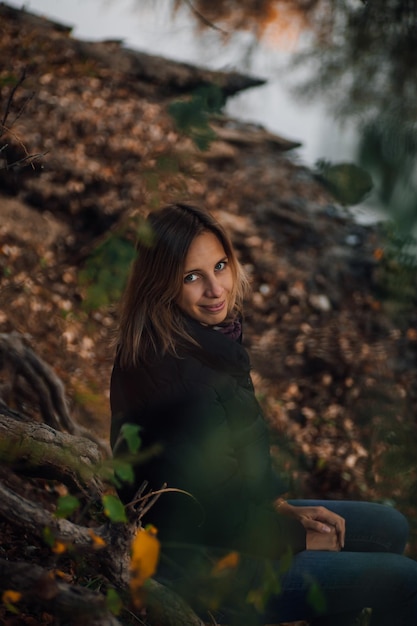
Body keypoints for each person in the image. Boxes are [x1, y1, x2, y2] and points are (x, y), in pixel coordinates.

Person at [110, 202, 417, 625]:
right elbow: (210, 516)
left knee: (390, 526)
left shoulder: (207, 341)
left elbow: (236, 472)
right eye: (192, 277)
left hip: (229, 532)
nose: (215, 289)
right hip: (203, 567)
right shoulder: (173, 370)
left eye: (219, 266)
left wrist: (282, 507)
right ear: (162, 285)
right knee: (405, 580)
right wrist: (299, 535)